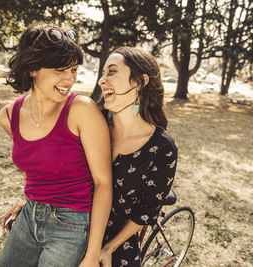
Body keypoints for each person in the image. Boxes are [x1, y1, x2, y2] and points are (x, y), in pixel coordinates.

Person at [0, 23, 112, 267]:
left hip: (72, 223)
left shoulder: (82, 110)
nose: (69, 79)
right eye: (60, 70)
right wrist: (29, 200)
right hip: (29, 218)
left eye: (74, 69)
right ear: (33, 69)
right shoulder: (8, 116)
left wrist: (91, 256)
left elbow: (103, 183)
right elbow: (37, 168)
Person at [97, 47, 178, 267]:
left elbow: (147, 211)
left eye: (111, 72)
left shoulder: (163, 147)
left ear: (139, 82)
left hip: (118, 238)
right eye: (103, 73)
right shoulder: (94, 120)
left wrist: (108, 248)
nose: (101, 81)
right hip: (73, 223)